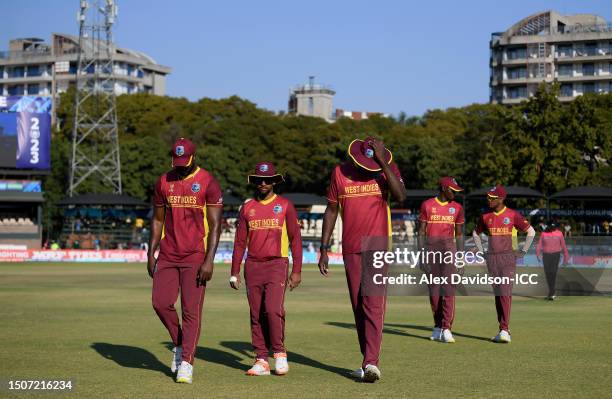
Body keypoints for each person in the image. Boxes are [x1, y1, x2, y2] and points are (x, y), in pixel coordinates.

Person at [318, 137, 406, 382]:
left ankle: (371, 362)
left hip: (377, 245)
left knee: (373, 303)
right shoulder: (339, 173)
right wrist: (324, 247)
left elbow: (400, 196)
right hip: (350, 247)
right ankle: (367, 360)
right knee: (359, 306)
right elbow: (332, 209)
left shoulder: (385, 169)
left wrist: (383, 163)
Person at [148, 137, 223, 384]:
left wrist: (209, 260)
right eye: (177, 162)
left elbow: (215, 225)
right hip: (168, 254)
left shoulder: (208, 182)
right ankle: (180, 345)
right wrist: (151, 252)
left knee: (191, 311)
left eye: (185, 162)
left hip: (195, 256)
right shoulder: (164, 181)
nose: (180, 166)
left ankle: (187, 363)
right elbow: (158, 220)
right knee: (160, 303)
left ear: (193, 158)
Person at [230, 162, 302, 376]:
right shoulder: (247, 208)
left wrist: (296, 270)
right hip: (252, 265)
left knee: (272, 309)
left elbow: (295, 239)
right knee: (255, 313)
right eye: (259, 179)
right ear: (254, 181)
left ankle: (279, 354)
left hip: (277, 264)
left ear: (274, 181)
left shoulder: (285, 205)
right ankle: (261, 359)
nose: (263, 183)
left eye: (267, 179)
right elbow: (240, 242)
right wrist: (234, 271)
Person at [472, 185, 535, 343]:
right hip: (492, 259)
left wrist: (523, 251)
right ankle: (503, 329)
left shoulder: (513, 215)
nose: (488, 200)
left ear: (501, 199)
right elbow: (475, 233)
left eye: (492, 198)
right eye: (488, 197)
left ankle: (505, 329)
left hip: (508, 259)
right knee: (498, 294)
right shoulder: (485, 216)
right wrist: (481, 251)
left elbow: (531, 232)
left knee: (505, 292)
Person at [418, 177, 465, 343]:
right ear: (444, 188)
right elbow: (421, 232)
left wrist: (461, 257)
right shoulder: (427, 205)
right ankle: (438, 326)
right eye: (453, 190)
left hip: (449, 251)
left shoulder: (458, 208)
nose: (455, 194)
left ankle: (447, 328)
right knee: (434, 292)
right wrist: (421, 255)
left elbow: (459, 234)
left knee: (448, 289)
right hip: (431, 252)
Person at [536, 222, 569, 300]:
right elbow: (539, 244)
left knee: (553, 273)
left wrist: (566, 258)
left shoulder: (559, 233)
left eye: (553, 228)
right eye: (551, 227)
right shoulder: (544, 233)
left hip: (556, 255)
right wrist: (538, 254)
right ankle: (552, 291)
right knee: (548, 274)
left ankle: (552, 292)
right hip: (546, 255)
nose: (552, 229)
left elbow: (563, 246)